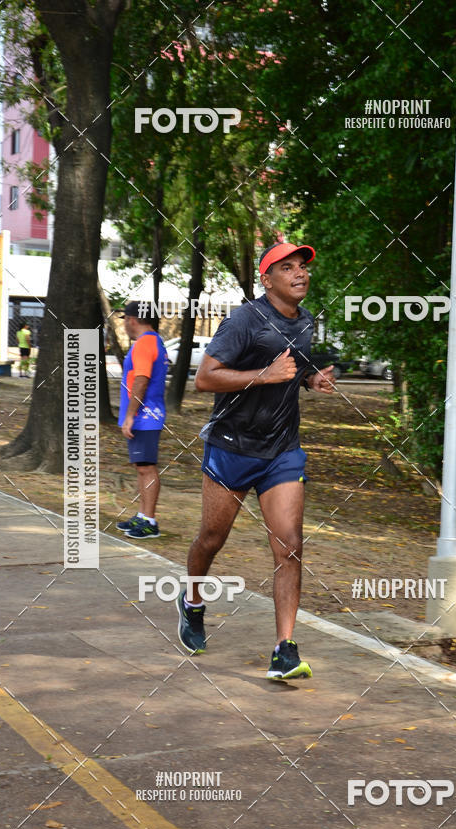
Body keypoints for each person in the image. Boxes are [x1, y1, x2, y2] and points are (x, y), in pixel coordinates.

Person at [176, 242, 336, 680]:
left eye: (302, 266)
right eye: (288, 268)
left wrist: (312, 379)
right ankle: (192, 602)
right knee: (212, 538)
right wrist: (262, 375)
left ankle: (285, 649)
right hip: (231, 447)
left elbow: (296, 366)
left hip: (281, 450)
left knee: (290, 545)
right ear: (267, 280)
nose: (300, 273)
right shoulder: (244, 320)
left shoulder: (306, 321)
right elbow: (204, 378)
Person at [117, 301, 169, 539]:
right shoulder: (154, 341)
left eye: (125, 320)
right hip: (146, 415)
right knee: (142, 467)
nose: (125, 325)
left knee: (146, 468)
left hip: (145, 416)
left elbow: (141, 379)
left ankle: (149, 521)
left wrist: (130, 415)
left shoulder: (145, 343)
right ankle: (142, 515)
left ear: (131, 320)